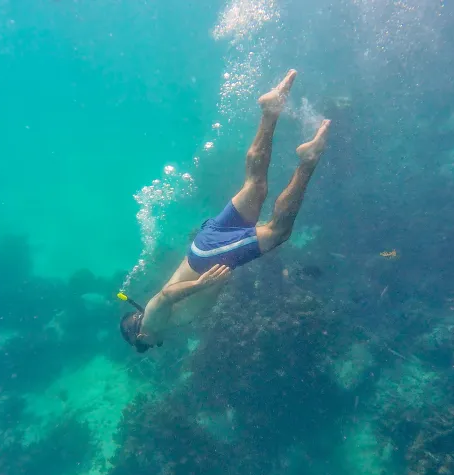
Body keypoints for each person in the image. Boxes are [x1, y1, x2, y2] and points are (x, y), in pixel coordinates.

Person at [119, 69, 332, 353]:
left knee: (278, 232)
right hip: (205, 247)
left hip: (209, 260)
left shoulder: (151, 324)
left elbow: (166, 295)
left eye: (146, 347)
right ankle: (270, 110)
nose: (155, 345)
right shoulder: (157, 323)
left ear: (139, 337)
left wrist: (202, 283)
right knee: (255, 186)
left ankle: (308, 160)